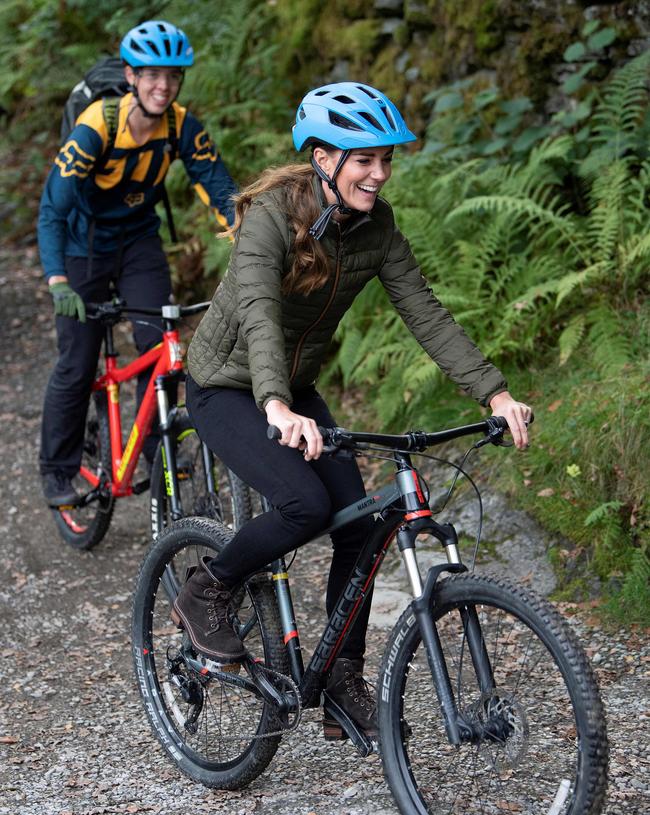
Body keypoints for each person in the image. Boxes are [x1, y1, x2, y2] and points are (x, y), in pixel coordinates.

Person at [176, 81, 533, 739]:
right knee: (303, 505)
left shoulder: (377, 227)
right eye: (363, 158)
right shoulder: (271, 219)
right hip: (228, 385)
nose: (379, 171)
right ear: (321, 157)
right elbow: (258, 312)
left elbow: (423, 310)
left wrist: (495, 391)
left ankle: (341, 677)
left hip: (296, 387)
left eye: (385, 159)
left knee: (361, 525)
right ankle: (208, 585)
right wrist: (277, 405)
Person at [38, 20, 236, 507]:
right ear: (130, 75)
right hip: (83, 247)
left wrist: (248, 239)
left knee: (158, 348)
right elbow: (52, 209)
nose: (162, 86)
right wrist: (57, 279)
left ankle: (160, 452)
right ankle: (57, 469)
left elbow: (221, 189)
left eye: (171, 76)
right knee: (77, 360)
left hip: (138, 243)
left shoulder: (181, 125)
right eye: (150, 74)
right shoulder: (95, 129)